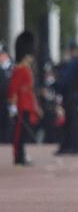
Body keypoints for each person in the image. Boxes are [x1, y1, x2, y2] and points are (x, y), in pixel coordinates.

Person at [9, 31, 41, 166]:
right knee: (19, 133)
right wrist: (13, 104)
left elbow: (30, 90)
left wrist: (36, 106)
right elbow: (13, 88)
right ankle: (18, 156)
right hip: (21, 104)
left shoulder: (26, 69)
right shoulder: (20, 69)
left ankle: (21, 155)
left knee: (23, 133)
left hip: (27, 104)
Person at [55, 40, 78, 155]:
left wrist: (57, 87)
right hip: (73, 95)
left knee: (71, 123)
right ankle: (70, 146)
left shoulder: (74, 63)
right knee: (71, 123)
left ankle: (71, 146)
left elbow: (65, 79)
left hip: (70, 95)